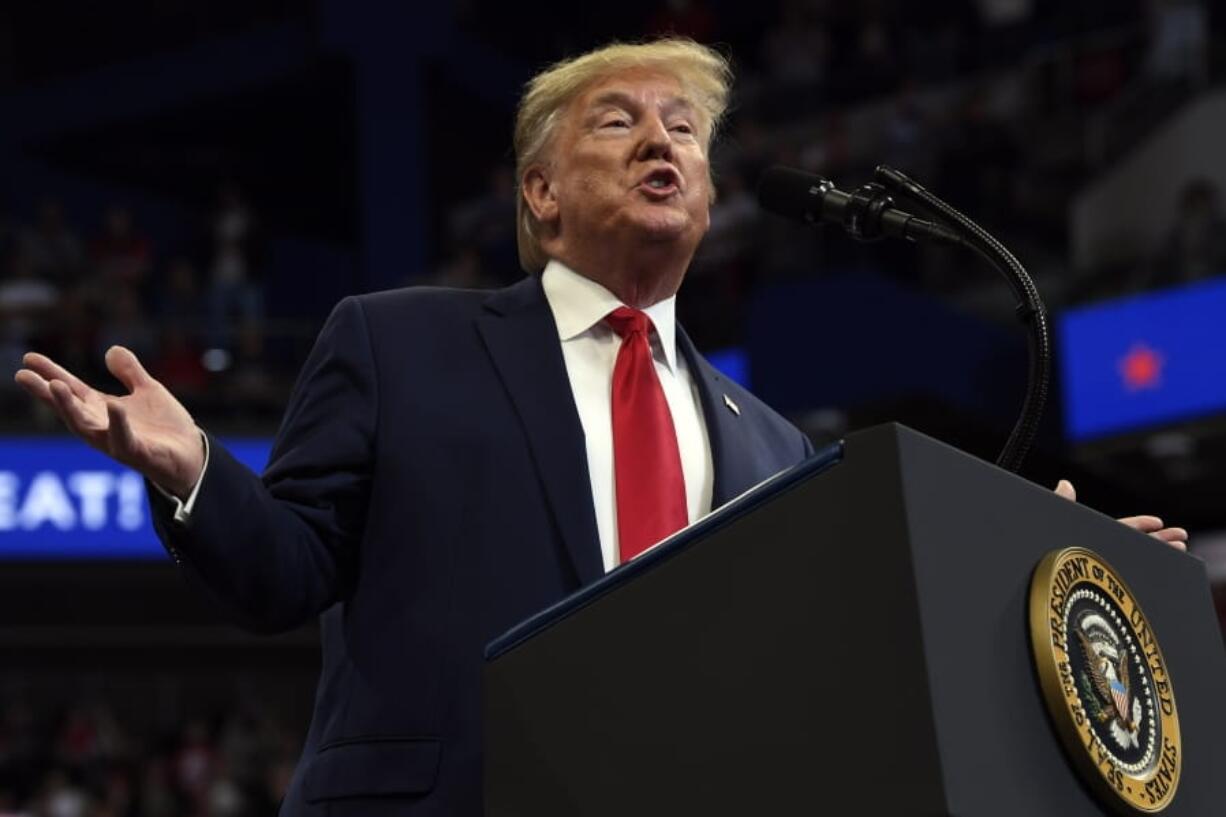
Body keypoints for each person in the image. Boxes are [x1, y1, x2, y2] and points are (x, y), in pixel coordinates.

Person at [13, 39, 1187, 817]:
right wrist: (196, 470)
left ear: (712, 193)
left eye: (681, 127)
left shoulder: (775, 446)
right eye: (616, 120)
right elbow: (284, 571)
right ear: (539, 193)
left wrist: (1021, 578)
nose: (659, 140)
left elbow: (837, 674)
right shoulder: (396, 343)